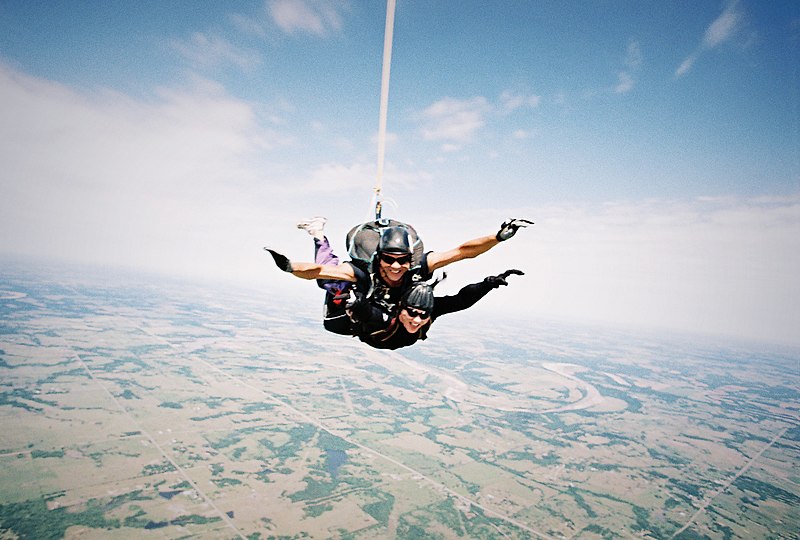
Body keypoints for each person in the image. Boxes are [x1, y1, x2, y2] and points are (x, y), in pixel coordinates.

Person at [265, 216, 532, 334]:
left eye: (402, 261)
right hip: (359, 304)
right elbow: (319, 271)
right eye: (389, 261)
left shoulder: (419, 267)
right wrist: (289, 267)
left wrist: (498, 237)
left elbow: (462, 251)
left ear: (410, 258)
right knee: (331, 281)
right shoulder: (363, 272)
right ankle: (318, 234)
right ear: (379, 258)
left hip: (383, 315)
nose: (396, 267)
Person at [351, 269, 524, 350]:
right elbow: (368, 313)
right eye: (412, 313)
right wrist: (356, 301)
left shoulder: (431, 308)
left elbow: (462, 300)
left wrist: (487, 284)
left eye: (423, 315)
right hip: (371, 332)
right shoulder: (384, 315)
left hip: (388, 338)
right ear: (401, 308)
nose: (417, 320)